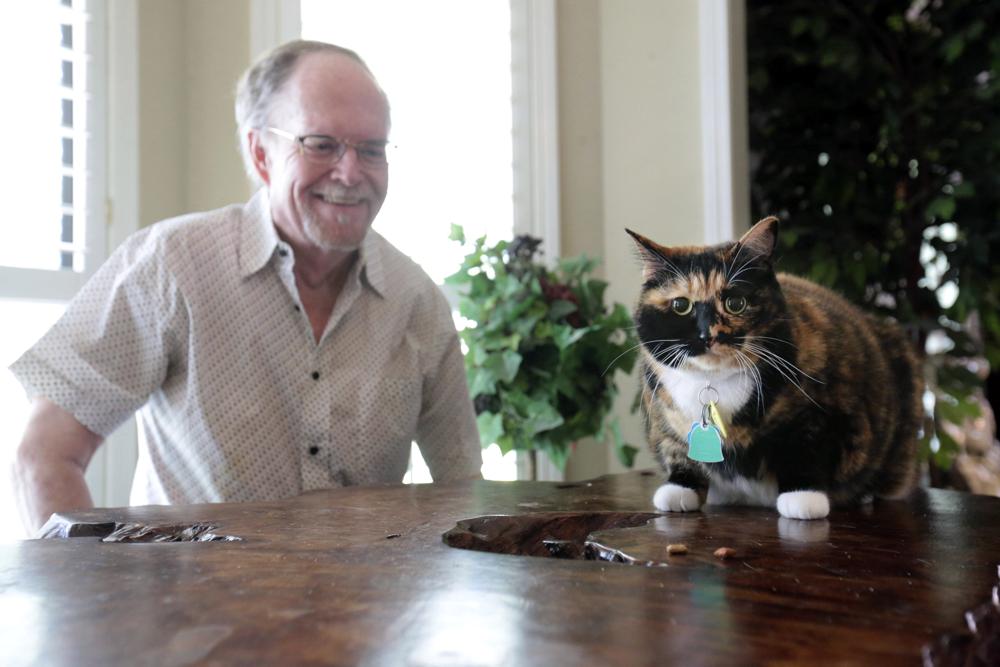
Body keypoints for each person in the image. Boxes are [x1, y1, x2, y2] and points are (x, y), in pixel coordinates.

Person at [10, 40, 482, 535]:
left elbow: (465, 492)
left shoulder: (417, 302)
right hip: (192, 610)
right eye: (321, 144)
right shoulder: (172, 266)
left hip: (369, 610)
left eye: (372, 149)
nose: (351, 172)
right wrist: (100, 602)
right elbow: (43, 457)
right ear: (261, 153)